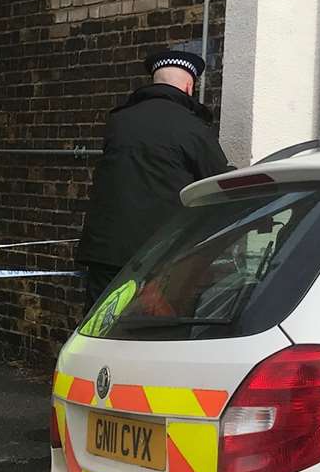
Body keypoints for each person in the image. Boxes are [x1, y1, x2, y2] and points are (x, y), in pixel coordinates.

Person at [76, 48, 231, 308]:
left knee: (98, 332)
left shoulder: (119, 121)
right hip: (159, 258)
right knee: (152, 336)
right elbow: (215, 183)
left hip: (105, 254)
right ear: (189, 85)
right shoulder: (192, 128)